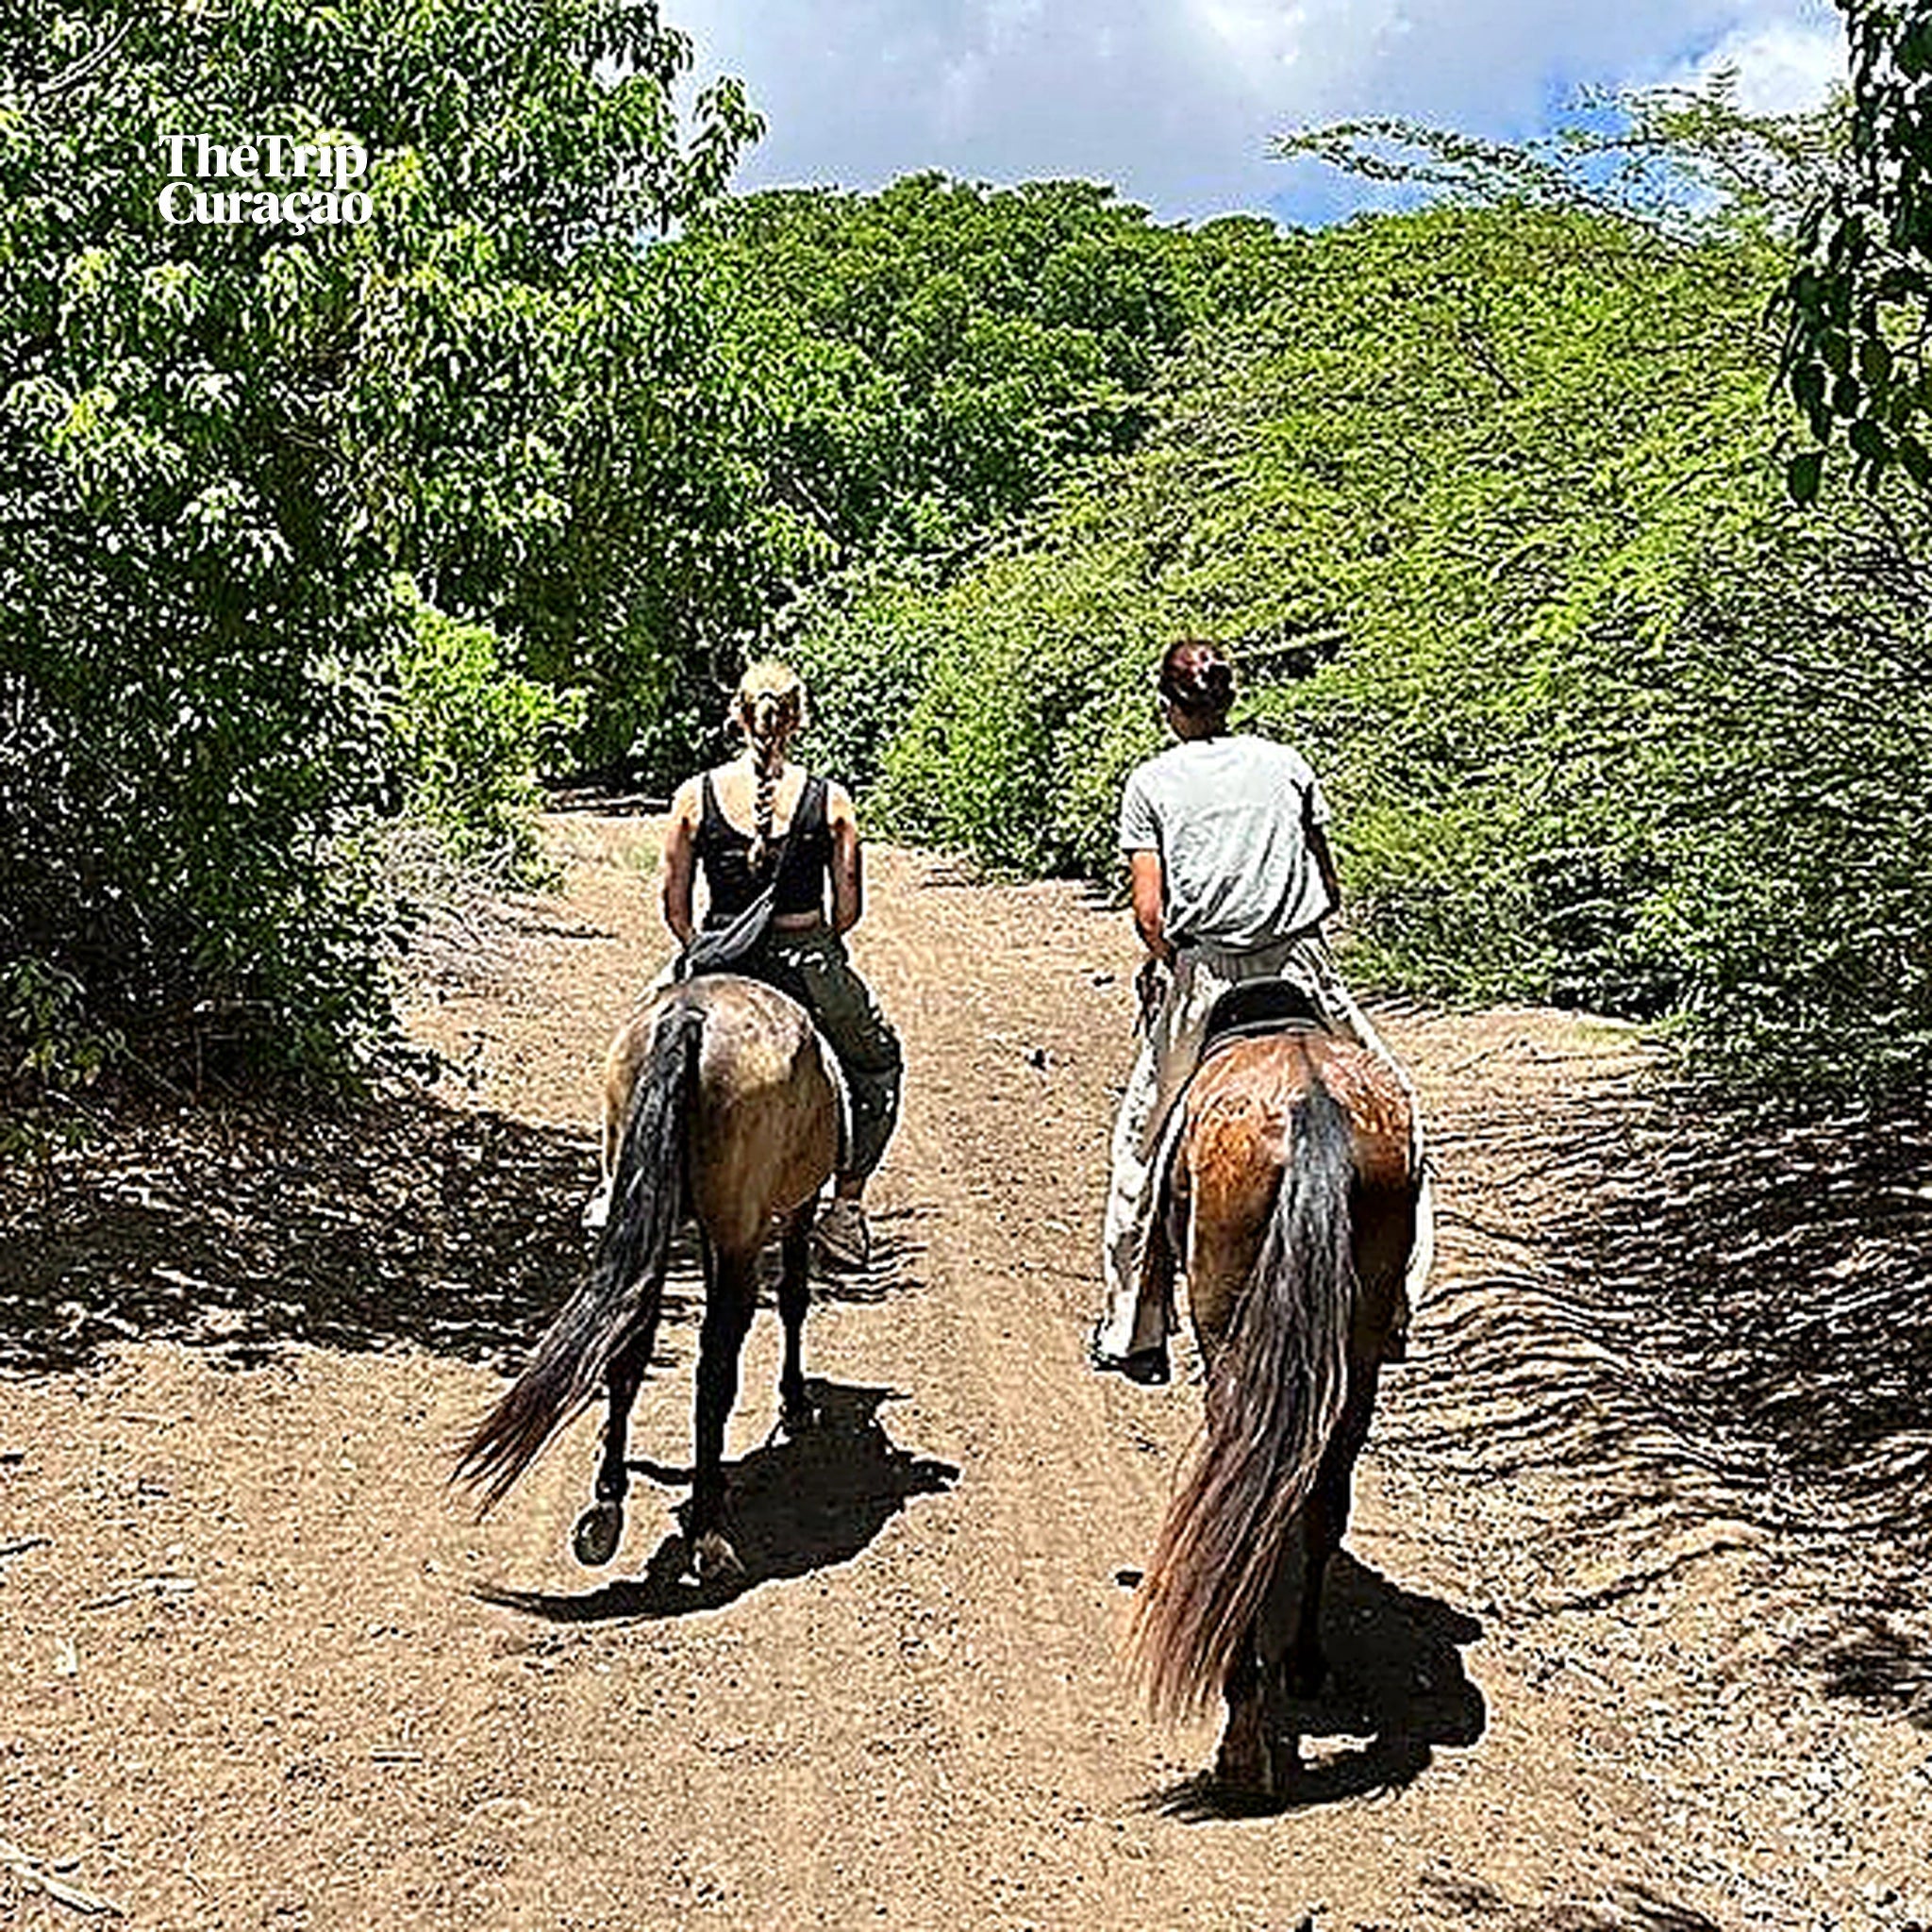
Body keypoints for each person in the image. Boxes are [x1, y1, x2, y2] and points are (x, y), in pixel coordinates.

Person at [1091, 639, 1432, 1383]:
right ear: (1231, 701)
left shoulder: (1150, 782)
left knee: (1144, 1141)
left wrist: (1173, 956)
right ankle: (1396, 1303)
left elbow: (1150, 915)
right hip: (1301, 964)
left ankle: (1132, 1325)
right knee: (1398, 1104)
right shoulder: (1287, 765)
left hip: (1207, 977)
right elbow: (1328, 886)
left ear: (1168, 707)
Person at [658, 660, 903, 1273]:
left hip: (716, 957)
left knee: (640, 1049)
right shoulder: (832, 801)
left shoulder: (694, 797)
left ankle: (616, 1187)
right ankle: (845, 1209)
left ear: (738, 716)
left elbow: (674, 906)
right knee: (875, 1060)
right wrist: (813, 942)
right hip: (805, 957)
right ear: (797, 721)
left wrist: (702, 947)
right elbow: (848, 910)